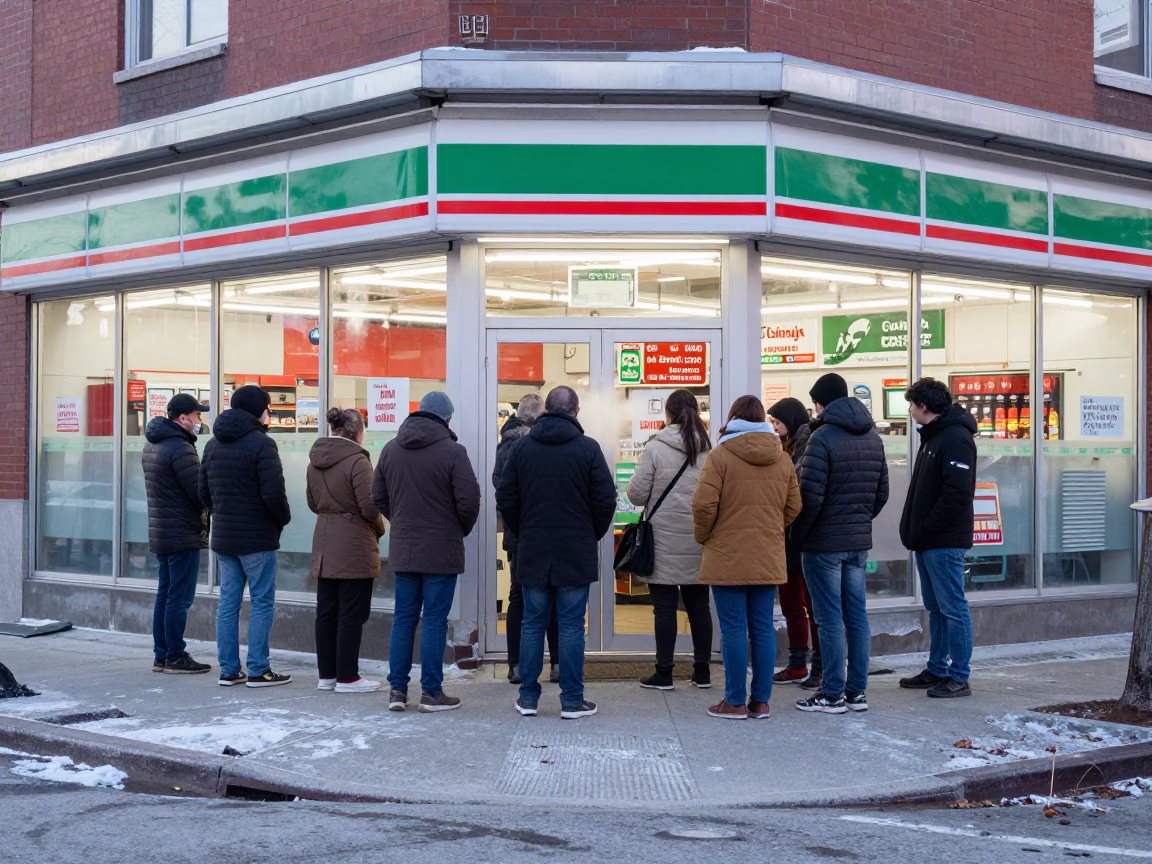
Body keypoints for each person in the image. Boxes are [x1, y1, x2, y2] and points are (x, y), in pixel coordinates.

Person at [496, 385, 616, 719]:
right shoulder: (588, 449)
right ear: (575, 412)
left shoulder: (522, 449)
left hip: (533, 548)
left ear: (547, 409)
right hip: (574, 551)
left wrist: (523, 530)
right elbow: (606, 499)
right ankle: (572, 700)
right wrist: (589, 533)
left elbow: (504, 497)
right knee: (571, 625)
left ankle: (529, 698)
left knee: (532, 624)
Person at [692, 396, 801, 719]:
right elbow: (794, 506)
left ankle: (735, 701)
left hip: (727, 554)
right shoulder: (781, 458)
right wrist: (770, 528)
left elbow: (702, 505)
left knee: (734, 629)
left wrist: (706, 536)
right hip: (766, 555)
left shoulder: (721, 455)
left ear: (733, 418)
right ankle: (761, 701)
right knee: (763, 628)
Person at [373, 391, 481, 713]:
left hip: (404, 548)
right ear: (446, 419)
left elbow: (377, 497)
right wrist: (456, 529)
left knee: (404, 619)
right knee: (434, 620)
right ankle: (431, 693)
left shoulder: (391, 449)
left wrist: (402, 522)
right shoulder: (453, 451)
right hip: (441, 550)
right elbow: (469, 501)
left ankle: (397, 691)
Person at [790, 373, 888, 715]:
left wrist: (798, 535)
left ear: (820, 403)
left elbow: (810, 498)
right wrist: (858, 521)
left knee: (829, 618)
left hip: (823, 544)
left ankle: (831, 693)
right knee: (856, 616)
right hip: (857, 542)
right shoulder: (873, 438)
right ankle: (856, 692)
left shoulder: (822, 438)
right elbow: (882, 494)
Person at [199, 384, 293, 688]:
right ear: (257, 410)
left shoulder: (212, 444)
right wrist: (281, 521)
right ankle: (258, 669)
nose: (270, 413)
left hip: (225, 538)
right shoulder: (262, 444)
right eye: (267, 408)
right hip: (257, 538)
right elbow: (274, 494)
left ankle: (228, 670)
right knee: (262, 602)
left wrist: (222, 516)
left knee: (228, 603)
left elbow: (204, 492)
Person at [626, 389, 713, 690]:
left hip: (661, 541)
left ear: (667, 414)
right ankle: (702, 671)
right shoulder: (709, 449)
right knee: (699, 607)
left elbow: (636, 494)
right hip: (698, 538)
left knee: (663, 608)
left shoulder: (655, 447)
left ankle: (664, 673)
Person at [899, 378, 978, 699]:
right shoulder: (933, 437)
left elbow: (957, 493)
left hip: (943, 541)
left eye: (911, 404)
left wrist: (928, 528)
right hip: (929, 540)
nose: (909, 410)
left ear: (924, 407)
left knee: (953, 608)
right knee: (937, 609)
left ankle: (959, 675)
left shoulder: (955, 438)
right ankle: (938, 668)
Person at [307, 408, 388, 694]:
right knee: (352, 612)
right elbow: (369, 505)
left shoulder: (315, 460)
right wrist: (380, 526)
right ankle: (348, 677)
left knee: (327, 611)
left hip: (324, 540)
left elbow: (312, 503)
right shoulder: (358, 461)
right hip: (354, 543)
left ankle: (327, 674)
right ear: (358, 431)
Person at [492, 393, 560, 685]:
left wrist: (515, 524)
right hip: (545, 531)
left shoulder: (506, 444)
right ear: (539, 415)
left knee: (518, 597)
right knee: (553, 598)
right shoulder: (540, 443)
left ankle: (515, 665)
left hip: (517, 533)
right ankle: (557, 663)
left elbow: (500, 487)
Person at [143, 393, 211, 675]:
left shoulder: (154, 444)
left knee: (165, 593)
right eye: (197, 416)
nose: (200, 421)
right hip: (182, 531)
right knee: (179, 597)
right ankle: (175, 656)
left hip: (163, 529)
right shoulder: (180, 447)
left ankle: (162, 655)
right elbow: (198, 492)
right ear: (183, 418)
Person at [767, 397, 821, 687]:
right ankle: (798, 662)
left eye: (777, 421)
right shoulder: (785, 447)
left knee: (812, 605)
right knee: (790, 602)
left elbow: (802, 494)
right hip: (786, 537)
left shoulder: (809, 445)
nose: (773, 427)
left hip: (803, 536)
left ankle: (818, 665)